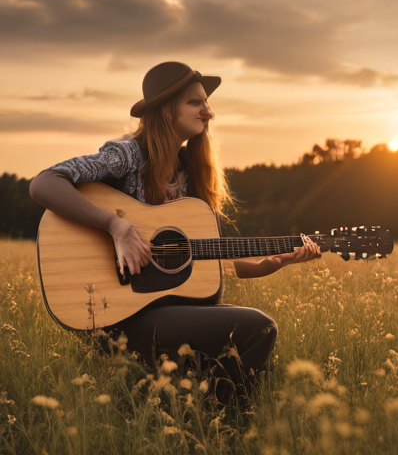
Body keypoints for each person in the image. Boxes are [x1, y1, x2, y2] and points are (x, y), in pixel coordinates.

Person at [30, 61, 321, 385]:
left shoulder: (189, 173)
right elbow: (44, 182)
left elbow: (210, 256)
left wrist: (274, 261)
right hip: (118, 315)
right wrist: (117, 227)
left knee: (259, 364)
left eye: (206, 103)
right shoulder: (128, 155)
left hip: (164, 309)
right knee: (260, 327)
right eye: (195, 102)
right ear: (166, 110)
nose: (208, 112)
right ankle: (214, 414)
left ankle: (204, 419)